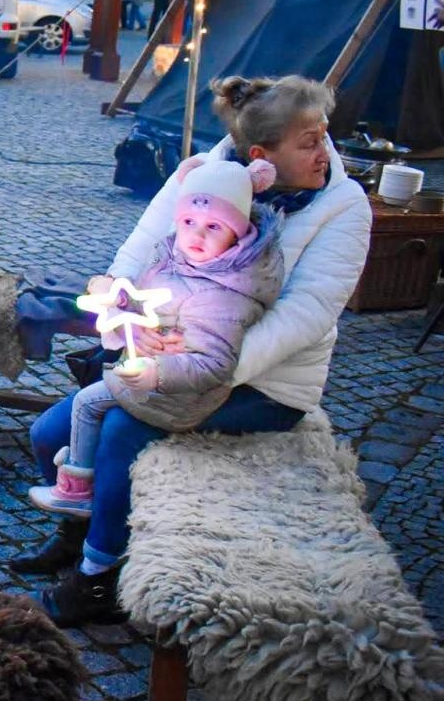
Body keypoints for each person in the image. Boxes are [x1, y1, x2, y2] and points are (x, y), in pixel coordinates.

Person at [17, 75, 373, 626]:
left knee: (120, 432)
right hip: (170, 358)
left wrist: (204, 367)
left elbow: (307, 315)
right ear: (261, 155)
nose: (325, 151)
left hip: (262, 382)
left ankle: (98, 580)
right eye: (308, 141)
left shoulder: (343, 206)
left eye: (324, 136)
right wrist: (121, 307)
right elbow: (142, 245)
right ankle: (78, 533)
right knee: (47, 435)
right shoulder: (209, 174)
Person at [29, 156, 283, 520]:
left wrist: (154, 373)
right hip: (150, 372)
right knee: (59, 425)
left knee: (90, 408)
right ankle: (76, 492)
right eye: (189, 223)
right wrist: (119, 301)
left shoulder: (228, 293)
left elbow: (214, 363)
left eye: (214, 226)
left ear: (237, 232)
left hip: (177, 390)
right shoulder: (171, 256)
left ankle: (79, 492)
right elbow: (140, 299)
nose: (197, 235)